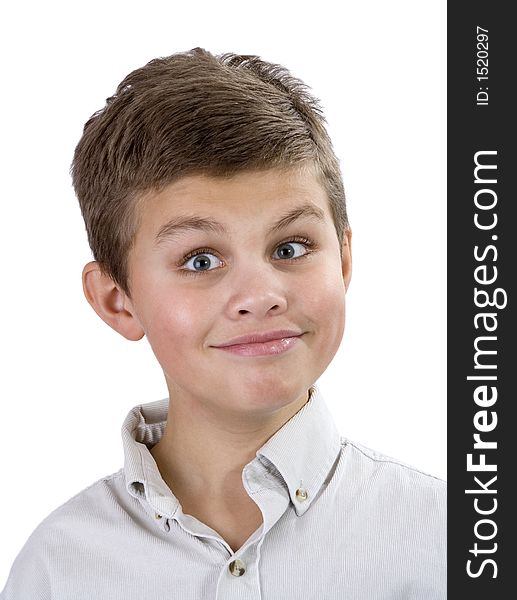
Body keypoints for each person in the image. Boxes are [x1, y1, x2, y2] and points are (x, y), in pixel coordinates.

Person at [1, 47, 446, 599]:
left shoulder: (446, 543)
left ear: (344, 261)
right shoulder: (57, 569)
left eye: (291, 247)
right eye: (200, 261)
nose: (259, 297)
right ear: (118, 301)